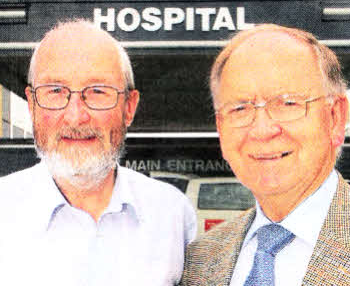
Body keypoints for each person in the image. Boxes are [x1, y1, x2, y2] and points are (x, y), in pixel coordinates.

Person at [0, 19, 196, 286]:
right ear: (32, 106)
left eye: (97, 91)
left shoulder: (173, 214)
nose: (76, 117)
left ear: (129, 107)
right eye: (55, 91)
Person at [180, 24, 350, 286]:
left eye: (288, 103)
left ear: (335, 117)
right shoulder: (200, 260)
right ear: (220, 129)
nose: (262, 130)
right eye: (239, 108)